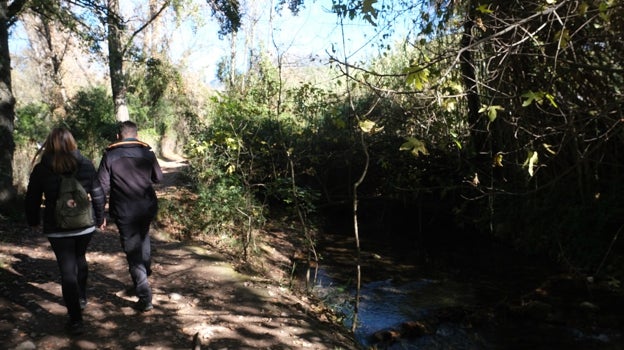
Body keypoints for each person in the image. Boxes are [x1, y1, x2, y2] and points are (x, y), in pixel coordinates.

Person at [24, 127, 105, 335]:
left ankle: (76, 320)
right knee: (80, 258)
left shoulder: (42, 168)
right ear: (72, 142)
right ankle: (82, 297)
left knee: (67, 270)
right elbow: (97, 193)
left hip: (56, 226)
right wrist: (100, 217)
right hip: (84, 224)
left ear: (49, 143)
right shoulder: (85, 164)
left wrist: (33, 220)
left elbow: (32, 197)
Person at [97, 121, 163, 312]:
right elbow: (159, 178)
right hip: (147, 207)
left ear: (119, 135)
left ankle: (144, 295)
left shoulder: (110, 155)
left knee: (133, 250)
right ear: (136, 134)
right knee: (143, 238)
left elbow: (102, 186)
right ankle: (144, 272)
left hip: (124, 210)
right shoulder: (147, 152)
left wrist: (100, 214)